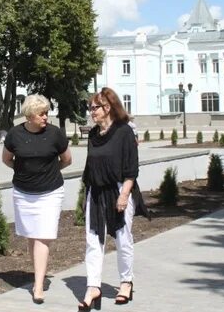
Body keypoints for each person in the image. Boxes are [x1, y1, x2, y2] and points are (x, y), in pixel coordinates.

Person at [78, 87, 150, 310]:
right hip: (96, 192)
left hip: (120, 190)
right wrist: (87, 195)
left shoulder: (124, 132)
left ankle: (126, 282)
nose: (91, 112)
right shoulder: (92, 134)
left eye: (94, 108)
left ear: (107, 108)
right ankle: (93, 287)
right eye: (90, 108)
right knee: (93, 240)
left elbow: (131, 168)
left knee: (122, 238)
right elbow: (91, 166)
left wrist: (124, 195)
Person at [1, 94, 72, 304]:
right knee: (32, 236)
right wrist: (25, 172)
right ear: (30, 115)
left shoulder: (55, 134)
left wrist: (47, 172)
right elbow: (6, 159)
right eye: (42, 114)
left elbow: (67, 160)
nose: (46, 117)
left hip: (50, 192)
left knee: (42, 236)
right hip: (23, 193)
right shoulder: (15, 134)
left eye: (47, 113)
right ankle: (38, 274)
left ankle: (38, 285)